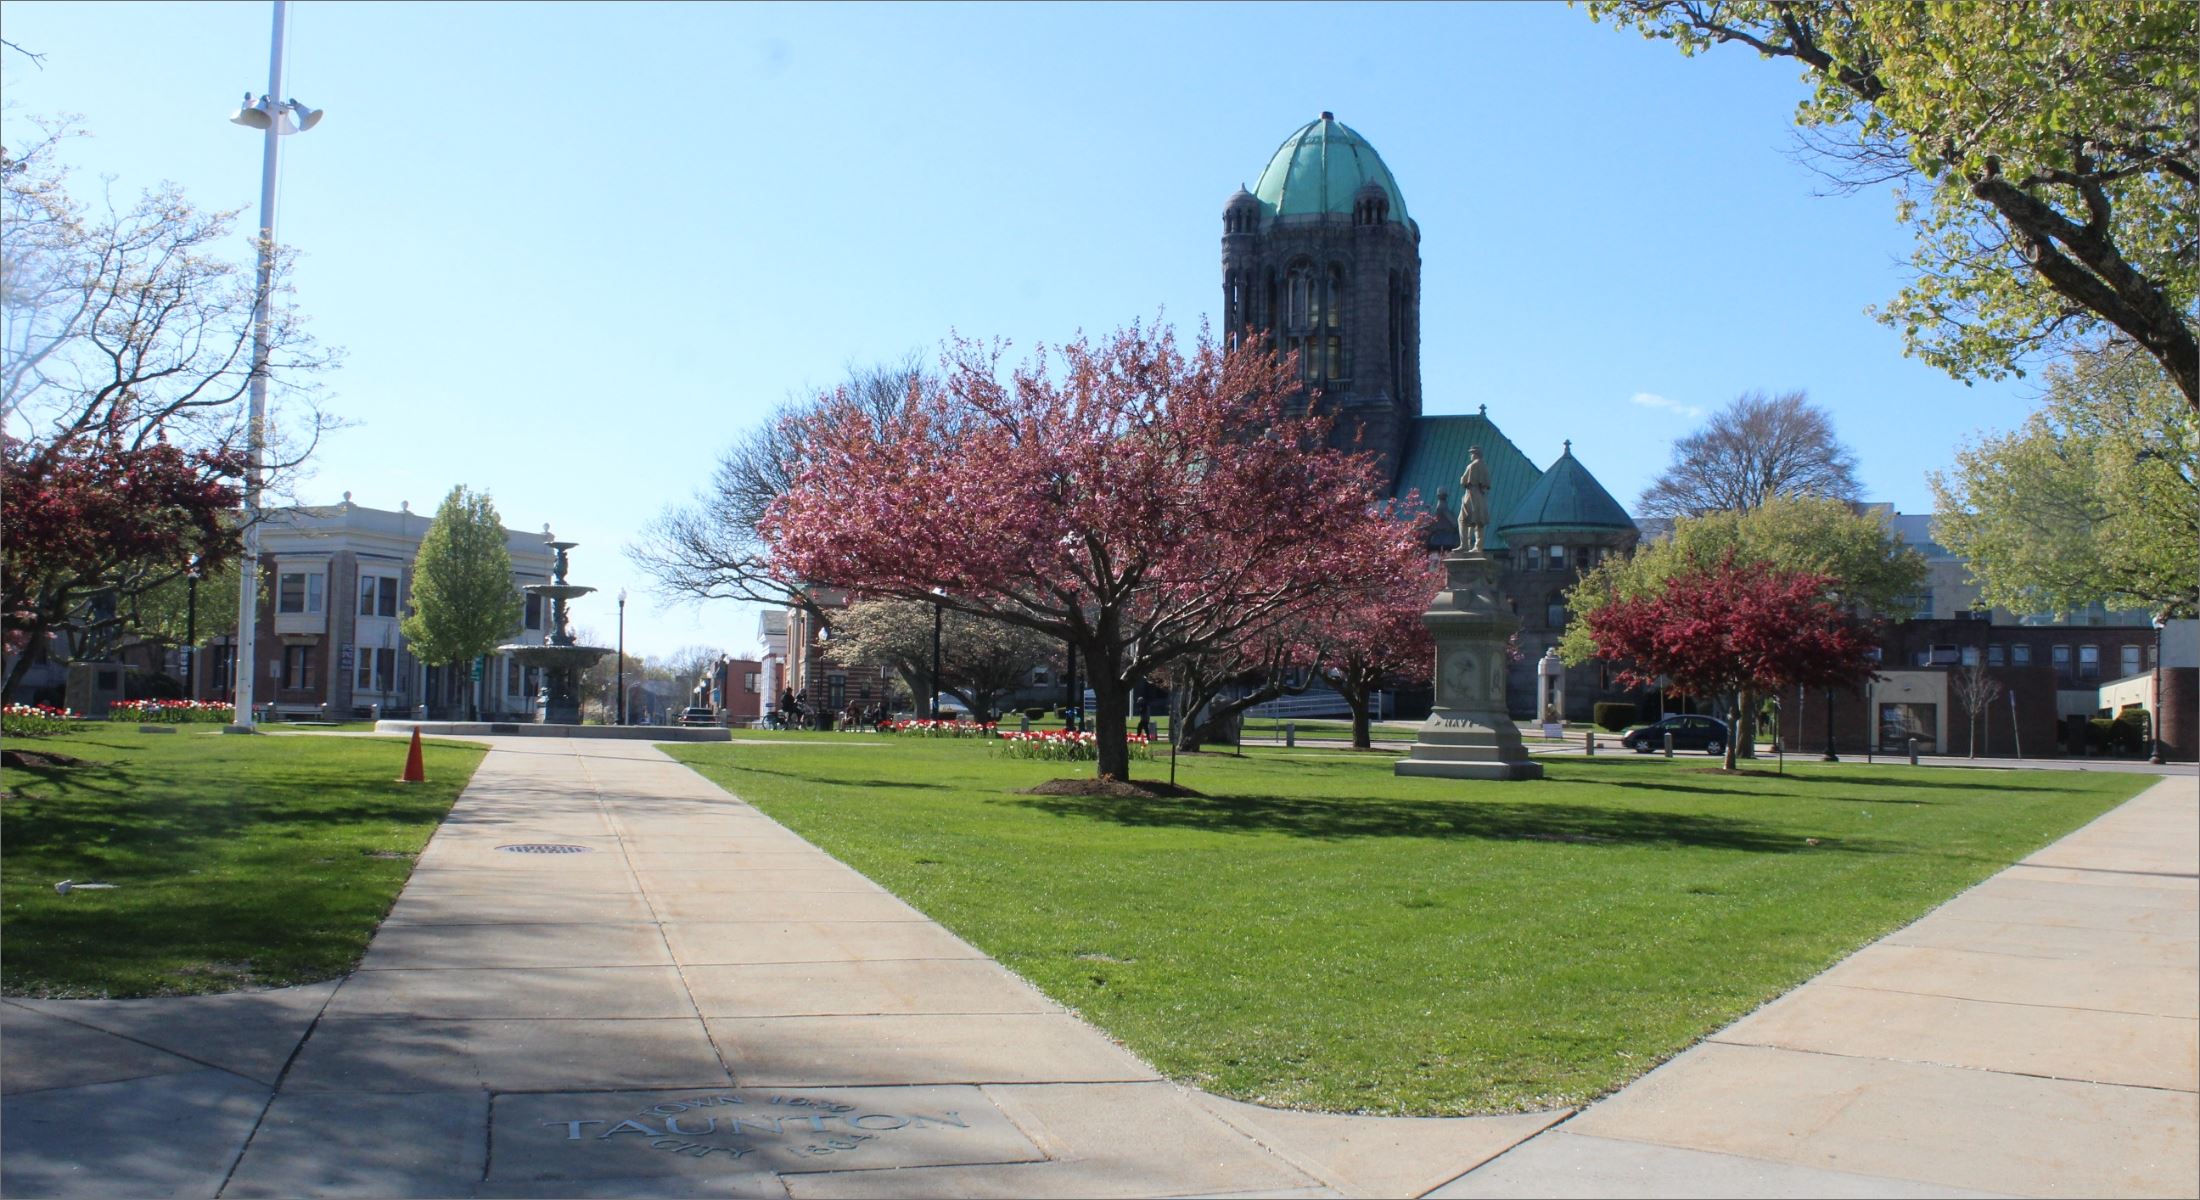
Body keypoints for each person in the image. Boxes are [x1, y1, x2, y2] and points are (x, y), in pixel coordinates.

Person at [1457, 446, 1491, 553]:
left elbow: (1464, 481)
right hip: (1480, 496)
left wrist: (1462, 479)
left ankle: (1464, 545)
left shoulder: (1472, 465)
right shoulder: (1484, 466)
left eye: (1472, 453)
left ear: (1476, 454)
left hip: (1471, 494)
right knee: (1479, 522)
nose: (1471, 455)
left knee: (1462, 520)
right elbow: (1486, 484)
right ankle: (1478, 546)